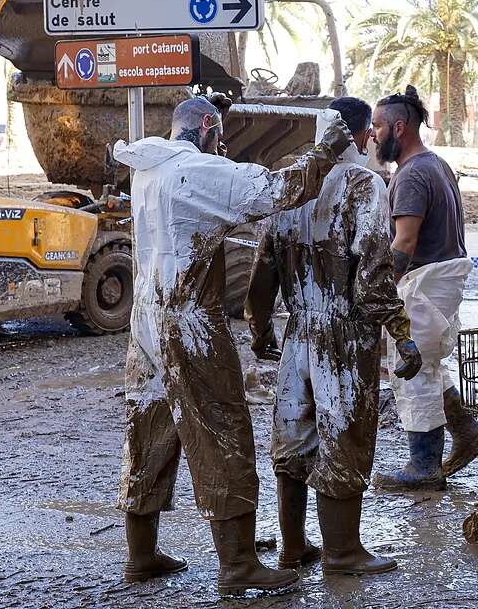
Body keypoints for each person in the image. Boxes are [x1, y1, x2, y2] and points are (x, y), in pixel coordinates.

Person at [111, 95, 354, 596]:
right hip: (191, 322)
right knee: (223, 430)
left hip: (147, 322)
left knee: (149, 428)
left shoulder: (149, 165)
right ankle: (239, 563)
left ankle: (141, 555)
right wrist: (326, 148)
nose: (221, 146)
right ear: (206, 126)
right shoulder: (199, 172)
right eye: (218, 135)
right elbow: (278, 189)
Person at [244, 98, 422, 577]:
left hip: (298, 329)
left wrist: (261, 329)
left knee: (294, 438)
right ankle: (343, 551)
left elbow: (262, 272)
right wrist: (401, 334)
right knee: (346, 434)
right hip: (344, 334)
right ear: (364, 135)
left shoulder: (290, 181)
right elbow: (373, 275)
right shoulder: (364, 185)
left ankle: (293, 547)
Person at [369, 86, 478, 491]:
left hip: (425, 283)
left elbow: (404, 241)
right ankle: (466, 430)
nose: (372, 135)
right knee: (427, 363)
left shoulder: (413, 175)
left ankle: (424, 466)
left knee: (412, 372)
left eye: (378, 126)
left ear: (399, 128)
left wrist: (381, 288)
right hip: (440, 282)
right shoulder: (435, 164)